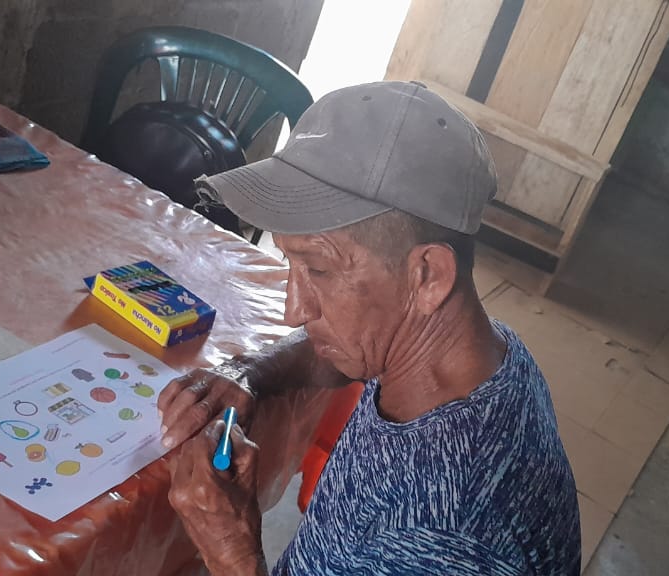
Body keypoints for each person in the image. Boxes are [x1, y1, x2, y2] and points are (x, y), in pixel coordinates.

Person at [158, 81, 580, 575]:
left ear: (428, 276)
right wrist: (253, 371)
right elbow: (344, 345)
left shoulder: (448, 538)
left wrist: (230, 551)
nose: (294, 310)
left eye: (318, 269)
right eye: (290, 262)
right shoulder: (476, 348)